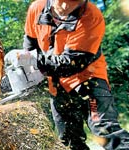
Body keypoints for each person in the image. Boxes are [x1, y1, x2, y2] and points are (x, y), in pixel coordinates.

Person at [22, 0, 129, 149]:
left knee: (104, 130)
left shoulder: (91, 16)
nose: (66, 6)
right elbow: (30, 44)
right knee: (70, 141)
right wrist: (25, 63)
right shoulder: (36, 8)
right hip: (57, 86)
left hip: (89, 81)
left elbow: (72, 63)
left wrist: (37, 62)